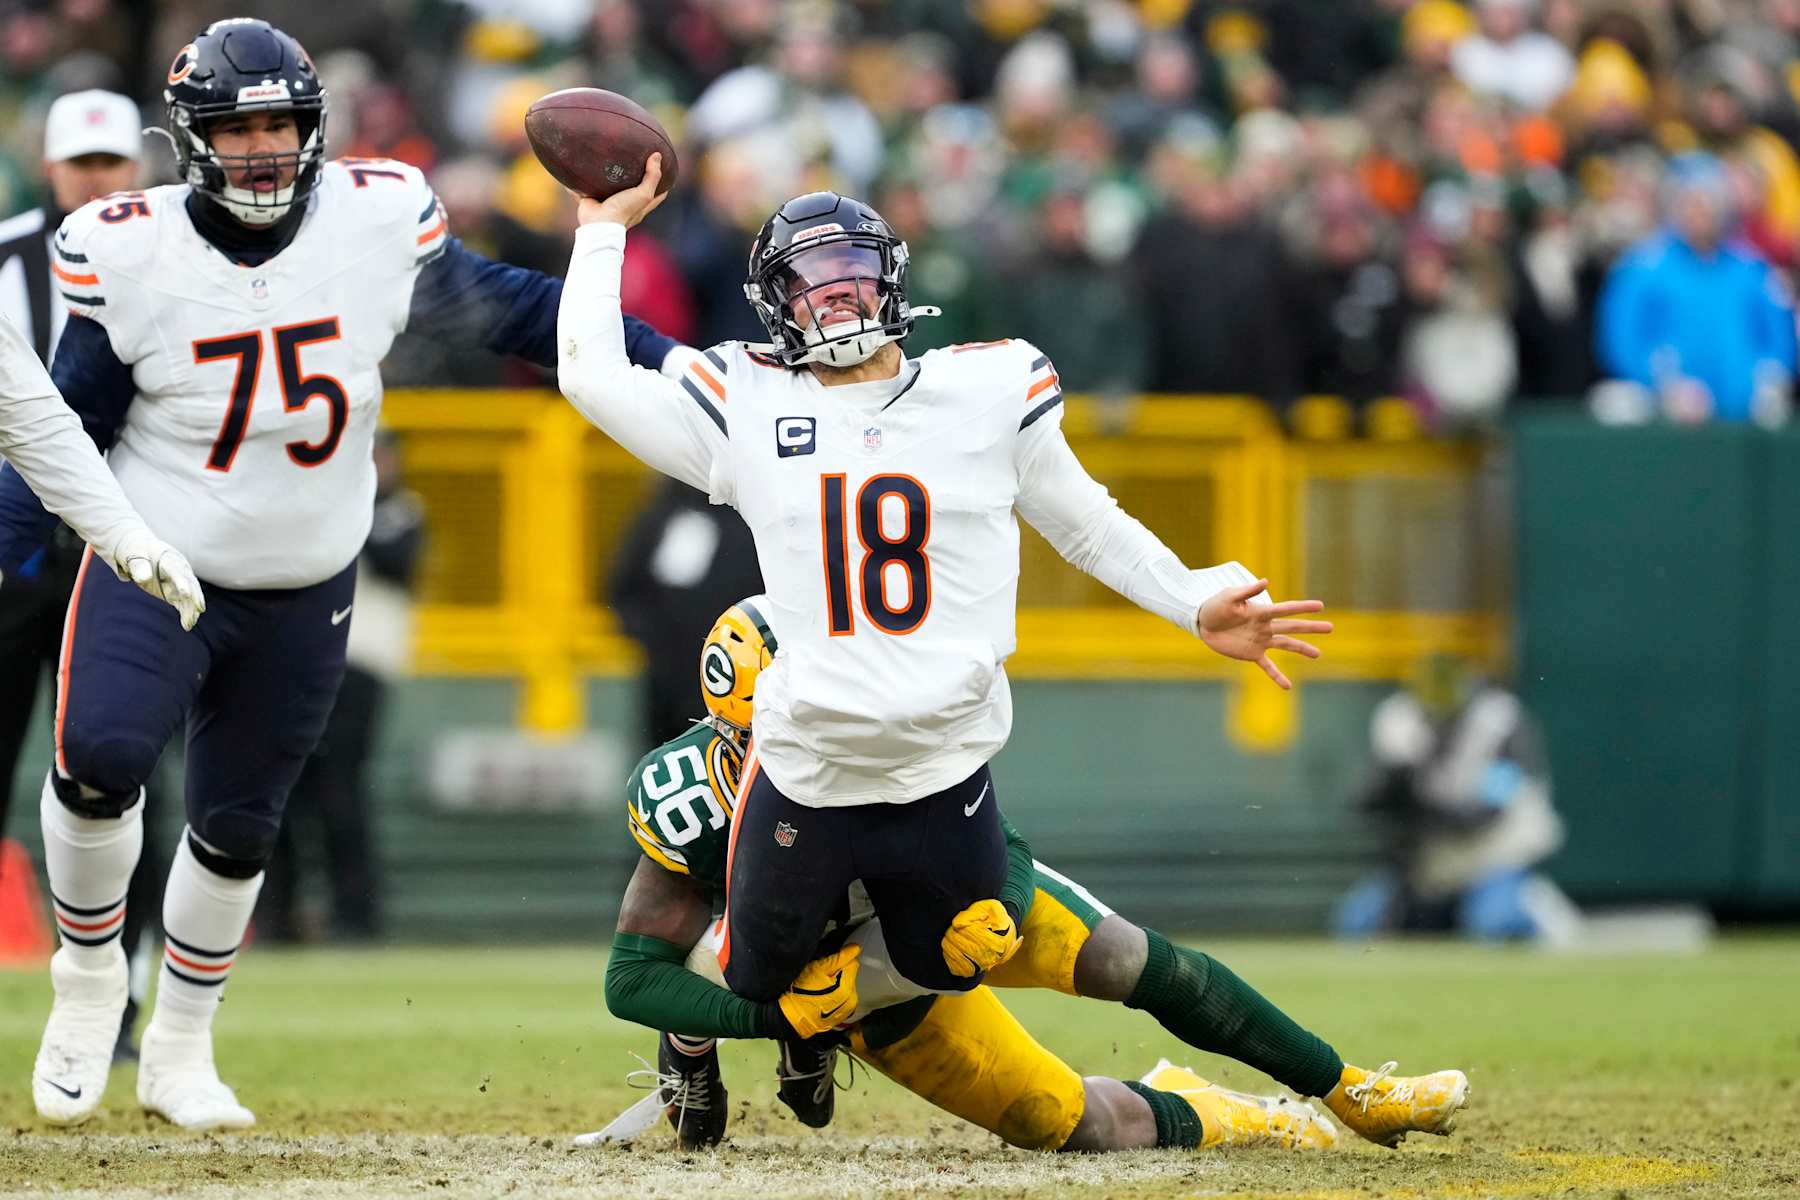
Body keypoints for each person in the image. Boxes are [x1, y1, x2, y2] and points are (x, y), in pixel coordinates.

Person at [1, 18, 680, 1132]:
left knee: (238, 829)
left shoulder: (376, 220)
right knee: (99, 757)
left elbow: (513, 309)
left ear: (314, 130)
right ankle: (88, 988)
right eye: (239, 127)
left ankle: (179, 1047)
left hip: (305, 578)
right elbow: (67, 424)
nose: (263, 148)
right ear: (192, 140)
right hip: (158, 560)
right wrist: (12, 545)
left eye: (279, 124)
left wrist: (668, 355)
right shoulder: (127, 249)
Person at [558, 162, 1334, 1025]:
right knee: (757, 976)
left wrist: (1191, 600)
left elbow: (1085, 523)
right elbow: (591, 377)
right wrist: (601, 229)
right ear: (776, 305)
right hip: (812, 758)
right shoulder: (746, 398)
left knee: (953, 959)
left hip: (943, 757)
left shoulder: (988, 388)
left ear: (892, 279)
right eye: (812, 283)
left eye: (853, 274)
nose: (838, 297)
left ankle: (840, 1009)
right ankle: (727, 1042)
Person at [596, 597, 1469, 1152]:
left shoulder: (896, 708)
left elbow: (996, 838)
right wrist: (767, 1014)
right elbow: (633, 976)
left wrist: (1008, 907)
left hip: (937, 902)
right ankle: (1236, 1114)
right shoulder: (693, 801)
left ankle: (1349, 1086)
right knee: (1065, 1122)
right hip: (843, 976)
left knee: (1128, 958)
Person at [0, 89, 180, 1064]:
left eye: (113, 164)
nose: (98, 180)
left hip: (124, 545)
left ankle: (121, 993)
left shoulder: (172, 254)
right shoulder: (7, 258)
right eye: (84, 164)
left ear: (136, 167)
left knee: (115, 772)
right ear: (53, 166)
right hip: (18, 542)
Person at [257, 431, 423, 942]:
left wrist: (340, 501)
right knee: (283, 792)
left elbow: (396, 560)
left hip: (362, 661)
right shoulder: (322, 506)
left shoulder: (400, 509)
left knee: (340, 792)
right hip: (299, 656)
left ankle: (355, 916)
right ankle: (277, 917)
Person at [1334, 654, 1575, 943]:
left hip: (1494, 857)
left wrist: (1420, 799)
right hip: (1431, 866)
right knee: (1358, 921)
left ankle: (1536, 905)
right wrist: (1395, 775)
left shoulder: (1501, 724)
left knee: (1493, 923)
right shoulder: (1400, 721)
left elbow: (1485, 815)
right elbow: (1365, 804)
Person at [1595, 153, 1797, 424]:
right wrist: (1661, 384)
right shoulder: (1642, 267)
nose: (1698, 213)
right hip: (1668, 414)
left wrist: (1772, 376)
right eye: (1689, 203)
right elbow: (1621, 339)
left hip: (1744, 413)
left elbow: (1778, 332)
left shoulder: (1751, 268)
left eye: (1706, 203)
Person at [606, 477, 764, 753]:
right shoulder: (665, 516)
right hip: (671, 690)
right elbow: (624, 592)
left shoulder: (756, 522)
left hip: (747, 693)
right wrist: (659, 650)